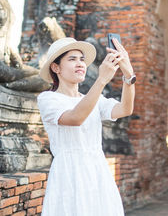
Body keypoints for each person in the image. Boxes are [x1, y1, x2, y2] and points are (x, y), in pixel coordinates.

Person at [37, 37, 136, 216]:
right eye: (72, 59)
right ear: (56, 67)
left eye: (82, 59)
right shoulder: (48, 99)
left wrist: (128, 75)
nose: (80, 64)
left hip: (97, 169)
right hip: (69, 172)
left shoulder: (93, 99)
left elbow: (125, 109)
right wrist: (101, 80)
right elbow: (75, 118)